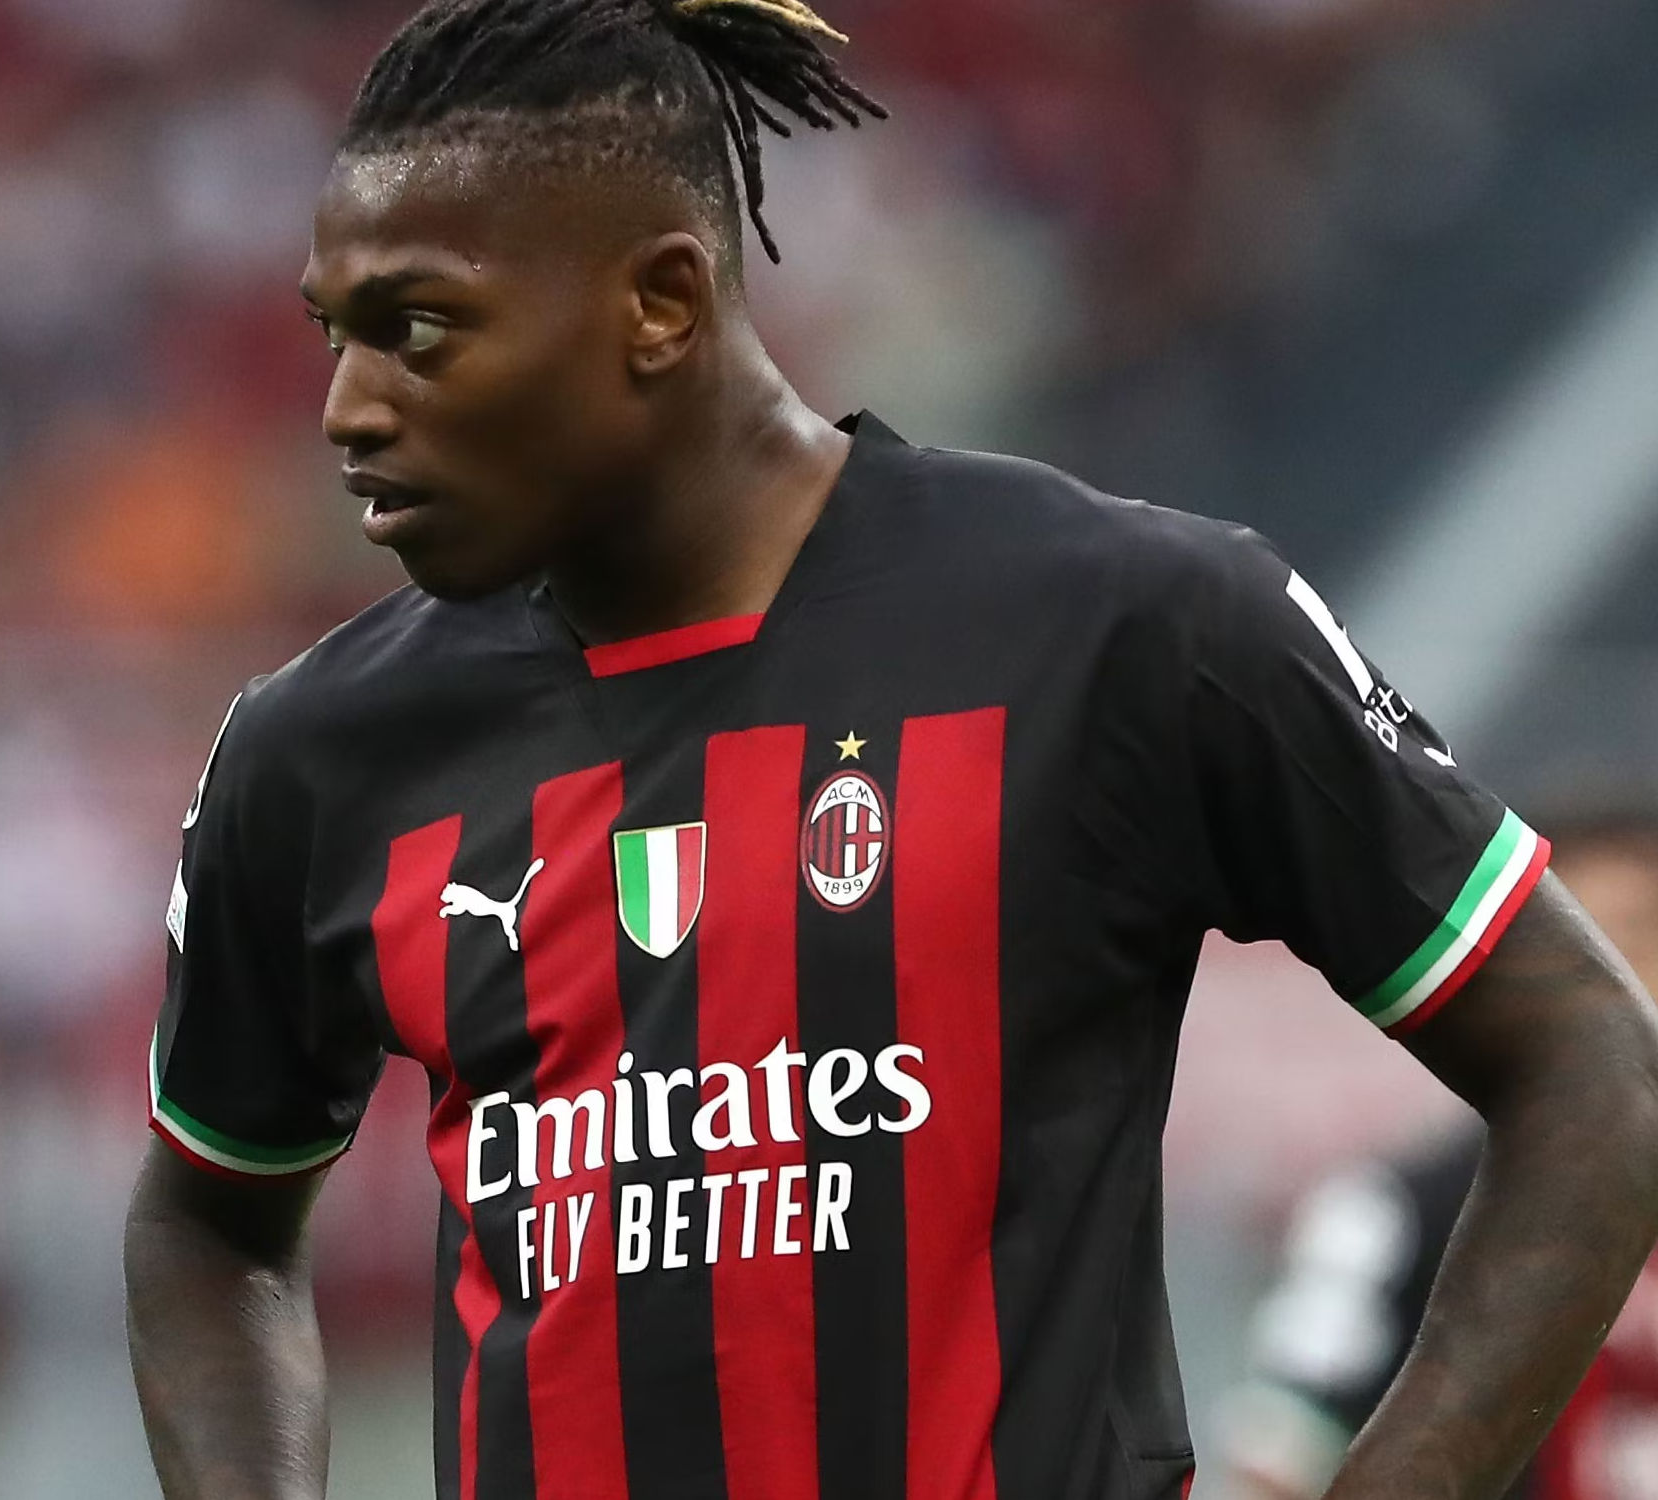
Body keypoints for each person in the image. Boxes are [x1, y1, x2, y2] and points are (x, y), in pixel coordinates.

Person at [119, 1, 1658, 1498]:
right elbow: (210, 1223)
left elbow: (1595, 1064)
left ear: (659, 303)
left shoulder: (1129, 625)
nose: (346, 408)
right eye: (335, 333)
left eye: (419, 330)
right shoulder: (320, 753)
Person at [1223, 810, 1658, 1500]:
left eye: (1636, 937)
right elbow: (1278, 1465)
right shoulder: (1391, 1212)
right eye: (1582, 949)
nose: (1616, 987)